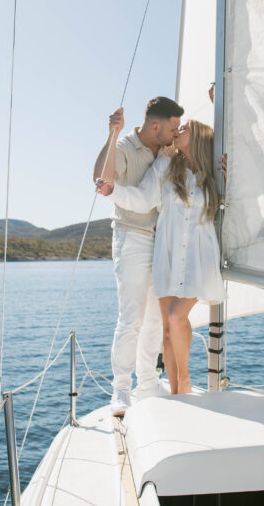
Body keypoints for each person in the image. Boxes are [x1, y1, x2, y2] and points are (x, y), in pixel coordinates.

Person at [96, 120, 224, 395]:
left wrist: (231, 175)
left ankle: (185, 381)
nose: (178, 132)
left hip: (198, 257)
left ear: (200, 136)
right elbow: (143, 199)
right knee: (168, 328)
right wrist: (113, 191)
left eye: (185, 128)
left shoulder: (214, 170)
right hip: (168, 254)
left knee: (178, 318)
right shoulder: (166, 166)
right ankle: (179, 392)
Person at [93, 96, 184, 416]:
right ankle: (120, 389)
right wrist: (112, 135)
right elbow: (102, 178)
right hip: (132, 238)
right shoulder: (127, 147)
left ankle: (147, 382)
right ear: (155, 126)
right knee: (131, 318)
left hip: (161, 242)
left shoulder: (167, 150)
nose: (176, 133)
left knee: (155, 319)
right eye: (172, 128)